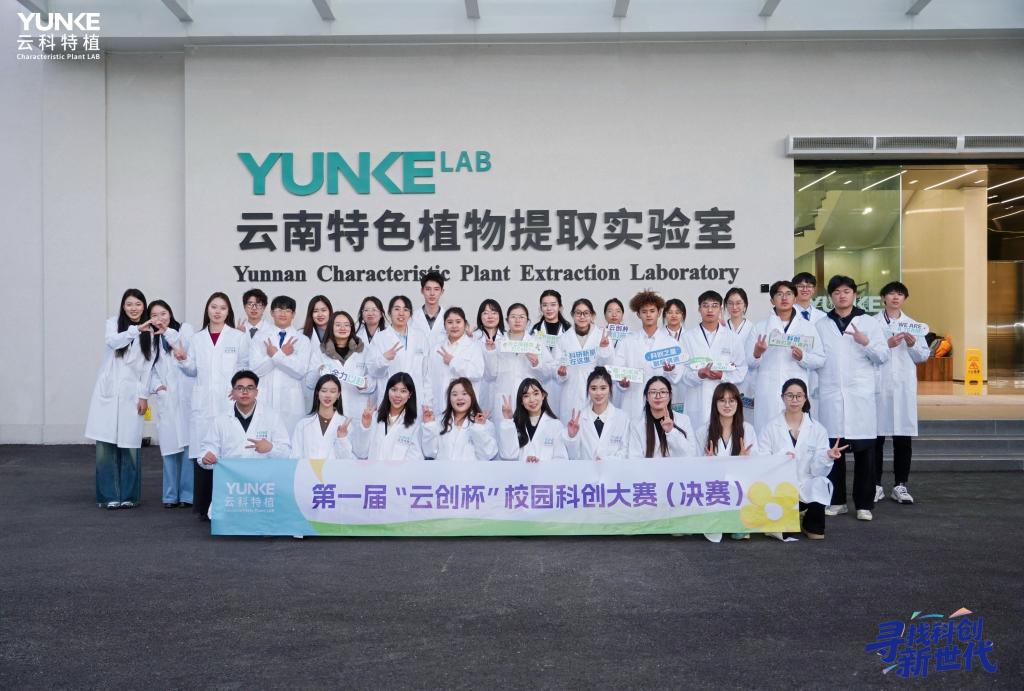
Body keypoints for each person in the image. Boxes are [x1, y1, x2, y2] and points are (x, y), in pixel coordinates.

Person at [815, 275, 889, 521]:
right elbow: (817, 357)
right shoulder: (821, 324)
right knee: (833, 453)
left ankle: (864, 504)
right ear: (830, 297)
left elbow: (883, 356)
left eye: (846, 291)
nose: (842, 296)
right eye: (836, 292)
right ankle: (837, 501)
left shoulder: (868, 323)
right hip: (831, 395)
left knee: (865, 455)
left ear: (854, 295)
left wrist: (865, 342)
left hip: (860, 397)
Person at [179, 292, 249, 520]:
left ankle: (228, 504)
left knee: (228, 452)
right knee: (204, 453)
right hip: (203, 404)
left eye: (223, 308)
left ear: (229, 312)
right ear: (207, 310)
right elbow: (192, 370)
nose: (218, 311)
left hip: (228, 402)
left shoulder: (237, 337)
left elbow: (244, 366)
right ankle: (203, 507)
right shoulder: (197, 339)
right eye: (214, 307)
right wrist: (183, 360)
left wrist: (239, 387)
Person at [85, 288, 155, 510]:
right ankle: (108, 496)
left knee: (130, 446)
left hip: (132, 395)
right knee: (106, 447)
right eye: (129, 304)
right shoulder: (114, 324)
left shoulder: (150, 333)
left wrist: (144, 396)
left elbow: (147, 368)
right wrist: (135, 330)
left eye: (138, 304)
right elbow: (113, 342)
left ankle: (129, 496)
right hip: (108, 392)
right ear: (123, 306)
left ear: (144, 306)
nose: (134, 308)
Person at [197, 370, 292, 520]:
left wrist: (271, 448)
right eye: (240, 388)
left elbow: (287, 452)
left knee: (264, 520)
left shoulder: (272, 417)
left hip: (263, 486)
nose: (245, 392)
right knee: (229, 521)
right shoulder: (221, 420)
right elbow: (206, 451)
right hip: (232, 487)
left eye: (250, 388)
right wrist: (206, 458)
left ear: (256, 392)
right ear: (233, 392)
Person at [757, 378, 843, 540]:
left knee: (820, 483)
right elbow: (762, 461)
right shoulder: (770, 427)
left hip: (805, 485)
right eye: (789, 395)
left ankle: (810, 522)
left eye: (799, 396)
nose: (794, 400)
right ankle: (792, 516)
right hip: (779, 487)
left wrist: (827, 456)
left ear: (805, 398)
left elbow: (818, 471)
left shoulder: (817, 429)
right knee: (784, 533)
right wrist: (780, 459)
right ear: (782, 398)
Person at [873, 281, 930, 505]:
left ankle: (900, 485)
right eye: (891, 294)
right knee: (876, 439)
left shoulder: (914, 326)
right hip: (879, 387)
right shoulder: (873, 323)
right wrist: (885, 344)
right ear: (883, 298)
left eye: (899, 294)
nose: (895, 297)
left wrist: (914, 344)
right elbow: (866, 352)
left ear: (905, 299)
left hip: (903, 388)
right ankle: (875, 485)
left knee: (903, 439)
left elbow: (922, 356)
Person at [746, 280, 825, 433]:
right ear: (772, 300)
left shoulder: (807, 327)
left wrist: (803, 357)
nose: (784, 298)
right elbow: (748, 362)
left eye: (788, 294)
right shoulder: (760, 327)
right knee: (767, 432)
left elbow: (820, 359)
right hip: (768, 390)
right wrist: (758, 353)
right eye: (779, 294)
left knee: (796, 432)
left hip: (796, 390)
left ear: (795, 298)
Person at [146, 299, 196, 508]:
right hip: (167, 399)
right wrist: (158, 387)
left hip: (186, 397)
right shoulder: (150, 339)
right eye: (154, 315)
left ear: (170, 313)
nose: (159, 318)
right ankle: (169, 495)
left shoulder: (184, 330)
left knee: (187, 449)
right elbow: (148, 369)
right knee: (169, 450)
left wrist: (167, 332)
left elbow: (187, 354)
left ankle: (187, 495)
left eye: (163, 313)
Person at [697, 382, 759, 542]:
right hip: (713, 488)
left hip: (738, 486)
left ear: (738, 403)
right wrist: (707, 462)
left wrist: (744, 460)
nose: (727, 405)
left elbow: (756, 465)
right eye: (722, 400)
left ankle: (736, 520)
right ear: (715, 403)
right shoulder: (703, 431)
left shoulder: (747, 429)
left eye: (731, 400)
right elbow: (695, 467)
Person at [681, 291, 749, 426]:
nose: (710, 310)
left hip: (724, 401)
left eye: (714, 305)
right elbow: (682, 373)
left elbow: (741, 370)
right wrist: (699, 375)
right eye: (705, 305)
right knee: (697, 434)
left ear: (721, 309)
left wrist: (722, 376)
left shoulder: (732, 338)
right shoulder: (687, 338)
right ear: (699, 309)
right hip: (697, 401)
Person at [612, 290, 683, 418]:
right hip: (633, 402)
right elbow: (618, 370)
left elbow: (677, 376)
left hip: (660, 403)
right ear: (638, 314)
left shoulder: (670, 343)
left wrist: (671, 371)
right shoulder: (627, 342)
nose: (648, 315)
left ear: (659, 313)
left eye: (652, 311)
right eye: (644, 312)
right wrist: (622, 383)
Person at [482, 303, 553, 420]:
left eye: (521, 317)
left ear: (527, 321)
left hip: (529, 401)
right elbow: (491, 375)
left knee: (528, 429)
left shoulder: (536, 344)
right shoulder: (499, 344)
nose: (517, 320)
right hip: (505, 399)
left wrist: (536, 364)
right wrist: (491, 352)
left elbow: (548, 374)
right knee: (505, 429)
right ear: (507, 320)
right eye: (513, 317)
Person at [249, 295, 309, 433]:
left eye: (287, 310)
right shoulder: (259, 337)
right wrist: (282, 355)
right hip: (266, 398)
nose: (283, 314)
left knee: (291, 438)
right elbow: (255, 370)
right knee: (263, 438)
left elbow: (300, 371)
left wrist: (275, 355)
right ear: (271, 313)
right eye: (279, 310)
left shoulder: (302, 340)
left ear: (293, 314)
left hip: (291, 402)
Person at [307, 310, 375, 420]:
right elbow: (310, 383)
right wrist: (319, 371)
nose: (342, 328)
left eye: (346, 325)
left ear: (351, 328)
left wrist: (364, 384)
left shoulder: (363, 351)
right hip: (330, 411)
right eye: (338, 325)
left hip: (357, 411)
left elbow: (373, 382)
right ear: (331, 327)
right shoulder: (320, 352)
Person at [369, 295, 433, 408]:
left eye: (406, 309)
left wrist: (427, 403)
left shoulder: (420, 337)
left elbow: (426, 374)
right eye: (397, 309)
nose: (401, 313)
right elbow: (373, 371)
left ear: (410, 314)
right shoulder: (380, 338)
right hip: (390, 398)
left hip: (415, 397)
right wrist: (384, 359)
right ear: (389, 313)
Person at [498, 378, 580, 462]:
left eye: (536, 394)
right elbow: (507, 455)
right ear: (521, 401)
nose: (532, 399)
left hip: (546, 471)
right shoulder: (514, 425)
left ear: (543, 396)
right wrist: (508, 421)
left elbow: (561, 459)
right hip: (520, 471)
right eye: (526, 396)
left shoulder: (555, 425)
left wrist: (540, 464)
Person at [351, 372, 427, 461]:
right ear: (387, 391)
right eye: (394, 390)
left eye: (403, 391)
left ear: (410, 395)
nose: (397, 395)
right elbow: (361, 453)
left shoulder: (416, 423)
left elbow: (416, 457)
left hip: (401, 470)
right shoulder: (374, 417)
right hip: (374, 469)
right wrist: (365, 426)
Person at [421, 378, 499, 461]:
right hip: (443, 469)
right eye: (454, 394)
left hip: (471, 470)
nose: (459, 398)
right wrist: (429, 425)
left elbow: (488, 454)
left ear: (472, 397)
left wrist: (479, 428)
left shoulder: (484, 424)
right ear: (449, 399)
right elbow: (429, 452)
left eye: (464, 394)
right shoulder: (439, 422)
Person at [426, 307, 485, 412]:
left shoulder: (474, 347)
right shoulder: (436, 348)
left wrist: (453, 362)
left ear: (465, 324)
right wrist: (428, 405)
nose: (454, 326)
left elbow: (477, 373)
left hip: (465, 407)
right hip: (439, 406)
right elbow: (429, 379)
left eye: (458, 322)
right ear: (444, 325)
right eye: (450, 322)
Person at [626, 376, 696, 458]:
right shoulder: (636, 424)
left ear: (670, 396)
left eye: (663, 392)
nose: (658, 396)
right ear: (647, 397)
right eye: (653, 392)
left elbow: (690, 454)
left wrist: (671, 432)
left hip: (678, 466)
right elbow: (635, 458)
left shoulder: (684, 420)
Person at [291, 374, 354, 461]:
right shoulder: (303, 425)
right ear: (317, 393)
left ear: (338, 395)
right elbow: (295, 457)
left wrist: (342, 438)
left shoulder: (345, 424)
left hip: (335, 470)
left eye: (333, 391)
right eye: (324, 391)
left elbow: (348, 461)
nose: (328, 395)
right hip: (308, 470)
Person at [575, 367, 630, 460]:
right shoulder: (579, 419)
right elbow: (573, 455)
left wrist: (606, 461)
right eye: (593, 388)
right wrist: (571, 437)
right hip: (586, 469)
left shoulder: (622, 417)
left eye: (603, 388)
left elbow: (626, 451)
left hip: (615, 468)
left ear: (610, 389)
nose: (598, 393)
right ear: (588, 390)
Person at [532, 290, 571, 415]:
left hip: (564, 386)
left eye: (553, 304)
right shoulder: (533, 332)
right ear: (540, 308)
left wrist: (563, 373)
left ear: (560, 307)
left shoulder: (570, 332)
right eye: (545, 305)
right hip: (541, 386)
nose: (549, 309)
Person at [473, 299, 505, 413]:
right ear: (480, 317)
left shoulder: (507, 338)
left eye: (494, 313)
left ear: (500, 316)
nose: (490, 316)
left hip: (502, 389)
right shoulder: (473, 338)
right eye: (485, 313)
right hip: (479, 389)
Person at [411, 270, 447, 346]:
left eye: (436, 289)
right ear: (422, 291)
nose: (432, 293)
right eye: (428, 289)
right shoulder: (412, 318)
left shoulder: (448, 318)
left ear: (442, 292)